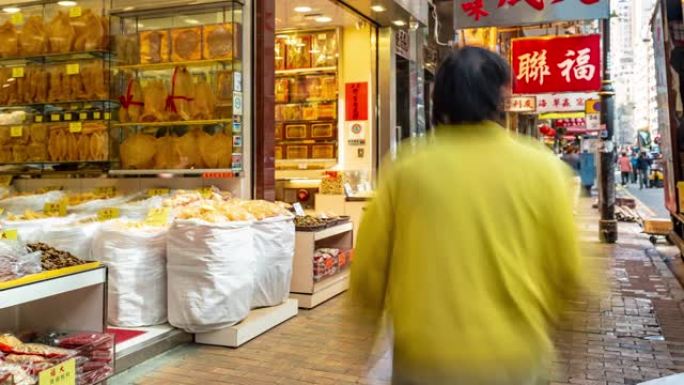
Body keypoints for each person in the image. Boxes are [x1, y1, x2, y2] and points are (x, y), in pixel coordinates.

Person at [351, 47, 588, 385]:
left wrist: (361, 337)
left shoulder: (406, 168)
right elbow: (568, 274)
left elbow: (368, 274)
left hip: (424, 362)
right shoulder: (542, 168)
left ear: (439, 100)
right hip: (514, 362)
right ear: (500, 99)